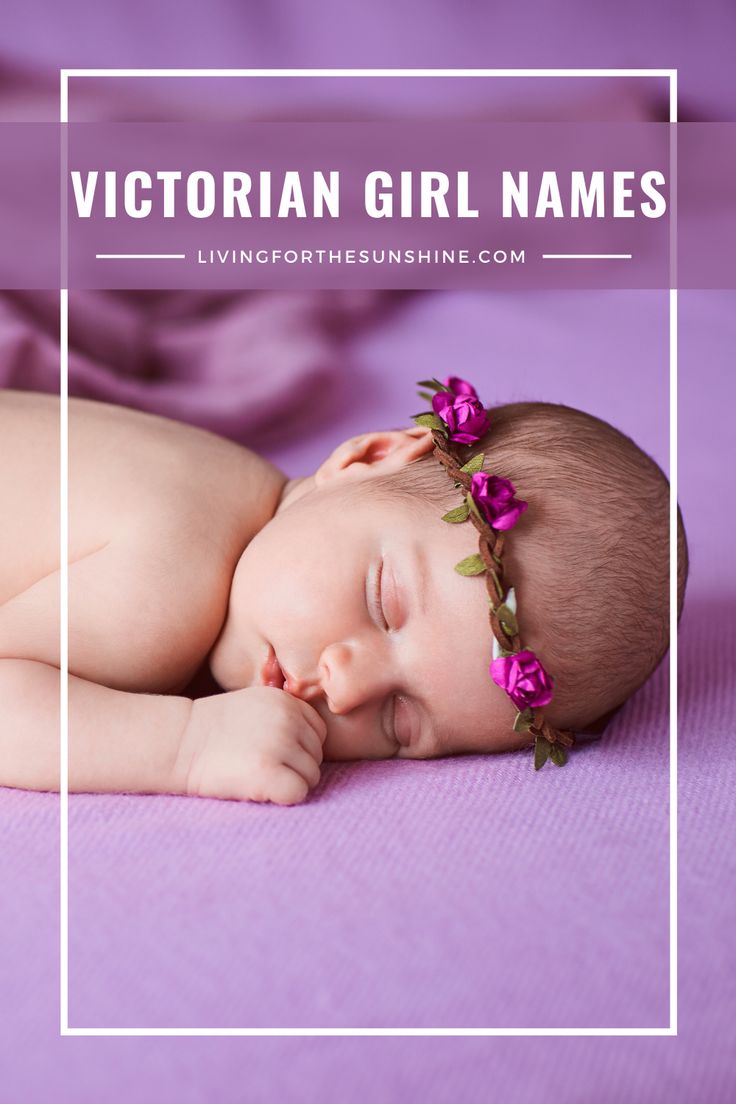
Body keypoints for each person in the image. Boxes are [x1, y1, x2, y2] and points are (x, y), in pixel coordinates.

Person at [0, 380, 687, 805]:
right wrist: (185, 747)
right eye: (380, 601)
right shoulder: (167, 589)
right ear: (367, 458)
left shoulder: (236, 485)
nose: (346, 687)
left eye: (400, 724)